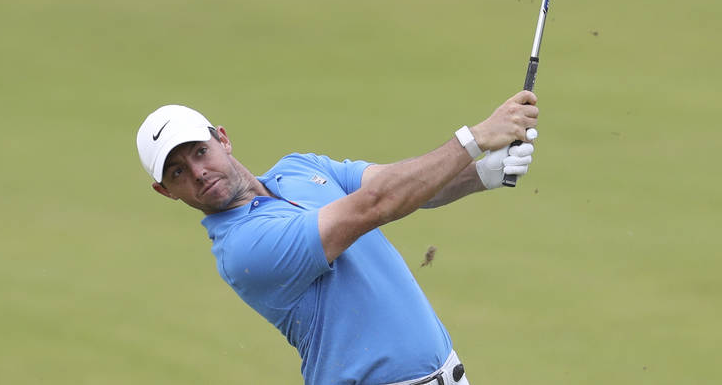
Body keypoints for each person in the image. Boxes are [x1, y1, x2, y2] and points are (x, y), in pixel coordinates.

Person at [135, 91, 539, 385]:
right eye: (176, 172)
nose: (197, 172)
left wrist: (483, 173)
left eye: (199, 152)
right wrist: (473, 140)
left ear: (222, 139)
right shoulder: (244, 249)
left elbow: (408, 186)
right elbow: (375, 205)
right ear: (166, 192)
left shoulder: (299, 168)